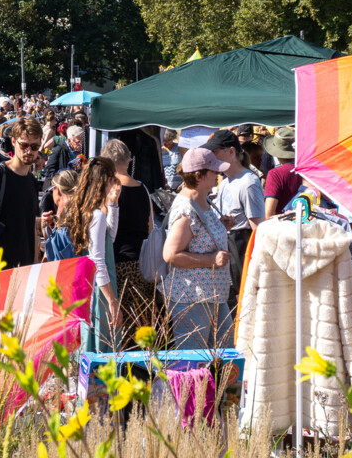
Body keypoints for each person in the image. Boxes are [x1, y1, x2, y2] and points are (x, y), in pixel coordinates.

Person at [162, 147, 234, 349]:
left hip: (209, 296)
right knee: (193, 363)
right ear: (199, 176)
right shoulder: (186, 209)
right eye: (214, 171)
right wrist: (210, 260)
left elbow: (200, 236)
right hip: (192, 297)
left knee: (227, 356)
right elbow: (170, 254)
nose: (218, 174)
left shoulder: (202, 199)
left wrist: (221, 226)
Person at [62, 156, 122, 353]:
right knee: (101, 340)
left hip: (92, 282)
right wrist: (112, 300)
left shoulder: (84, 211)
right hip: (100, 286)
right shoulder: (96, 215)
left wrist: (113, 203)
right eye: (112, 177)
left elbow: (108, 239)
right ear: (105, 180)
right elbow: (99, 260)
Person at [102, 138, 159, 340]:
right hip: (143, 264)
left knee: (122, 329)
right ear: (128, 160)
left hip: (118, 265)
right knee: (144, 326)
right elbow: (150, 226)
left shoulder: (108, 190)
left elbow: (105, 232)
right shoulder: (143, 188)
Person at [208, 128, 265, 310]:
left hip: (242, 252)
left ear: (231, 152)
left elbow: (258, 228)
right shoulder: (224, 182)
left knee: (242, 307)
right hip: (227, 251)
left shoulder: (248, 183)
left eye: (215, 152)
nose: (211, 157)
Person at [0, 118, 43, 267]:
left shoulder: (32, 180)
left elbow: (31, 226)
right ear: (13, 141)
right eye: (24, 145)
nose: (29, 151)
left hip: (25, 267)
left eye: (34, 146)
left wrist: (35, 263)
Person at [263, 127, 301, 215]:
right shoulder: (310, 170)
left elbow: (268, 214)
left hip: (284, 226)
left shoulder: (275, 174)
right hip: (311, 226)